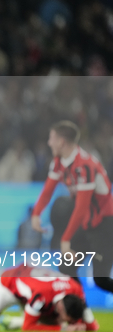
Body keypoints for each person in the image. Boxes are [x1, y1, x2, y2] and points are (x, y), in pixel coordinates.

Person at [31, 121, 113, 294]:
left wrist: (66, 239)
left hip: (105, 226)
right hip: (86, 225)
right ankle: (80, 311)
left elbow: (81, 207)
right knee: (66, 268)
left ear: (62, 142)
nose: (49, 142)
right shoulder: (59, 163)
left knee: (101, 279)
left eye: (51, 138)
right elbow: (47, 191)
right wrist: (36, 214)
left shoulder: (85, 166)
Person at [0, 264, 99, 332]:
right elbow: (28, 327)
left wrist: (82, 326)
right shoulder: (41, 296)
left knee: (54, 319)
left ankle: (12, 322)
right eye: (66, 318)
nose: (67, 322)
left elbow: (93, 326)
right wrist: (63, 329)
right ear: (60, 307)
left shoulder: (77, 289)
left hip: (30, 289)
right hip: (5, 284)